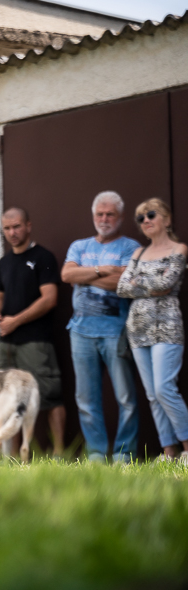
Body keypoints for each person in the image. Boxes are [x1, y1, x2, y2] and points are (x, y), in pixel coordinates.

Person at [61, 191, 141, 463]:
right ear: (93, 215)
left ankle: (124, 454)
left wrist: (85, 276)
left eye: (110, 214)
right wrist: (103, 270)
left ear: (120, 217)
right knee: (86, 398)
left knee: (126, 398)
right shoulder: (79, 246)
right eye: (100, 214)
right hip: (80, 331)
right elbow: (67, 274)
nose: (104, 219)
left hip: (116, 331)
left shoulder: (130, 247)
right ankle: (96, 453)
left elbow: (123, 284)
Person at [0, 207, 67, 456]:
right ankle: (15, 458)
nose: (12, 232)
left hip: (36, 341)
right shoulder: (4, 262)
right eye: (7, 228)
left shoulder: (44, 257)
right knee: (9, 400)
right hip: (7, 342)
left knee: (48, 396)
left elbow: (50, 299)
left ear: (28, 226)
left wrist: (16, 321)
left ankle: (59, 454)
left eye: (17, 226)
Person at [118, 198, 188, 462]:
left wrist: (138, 280)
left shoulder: (179, 249)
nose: (146, 220)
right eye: (141, 218)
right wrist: (151, 282)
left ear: (167, 220)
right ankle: (169, 452)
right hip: (138, 330)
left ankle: (187, 448)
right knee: (152, 394)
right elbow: (122, 287)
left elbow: (167, 284)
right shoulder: (138, 253)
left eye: (151, 214)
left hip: (166, 328)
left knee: (164, 388)